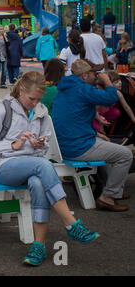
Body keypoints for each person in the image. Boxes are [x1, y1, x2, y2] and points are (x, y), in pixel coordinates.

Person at [0, 71, 100, 266]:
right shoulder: (3, 110)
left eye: (38, 99)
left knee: (37, 183)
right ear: (20, 90)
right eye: (31, 98)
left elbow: (44, 144)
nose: (35, 103)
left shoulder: (42, 111)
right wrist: (13, 145)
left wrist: (39, 144)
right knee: (42, 166)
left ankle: (38, 247)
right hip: (4, 167)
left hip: (32, 167)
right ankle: (71, 223)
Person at [52, 59, 132, 212]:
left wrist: (95, 133)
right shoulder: (82, 89)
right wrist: (107, 80)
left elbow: (73, 119)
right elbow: (111, 98)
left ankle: (113, 191)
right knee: (125, 155)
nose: (96, 75)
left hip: (65, 144)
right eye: (94, 73)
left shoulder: (65, 89)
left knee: (112, 151)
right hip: (77, 147)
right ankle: (108, 197)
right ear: (84, 75)